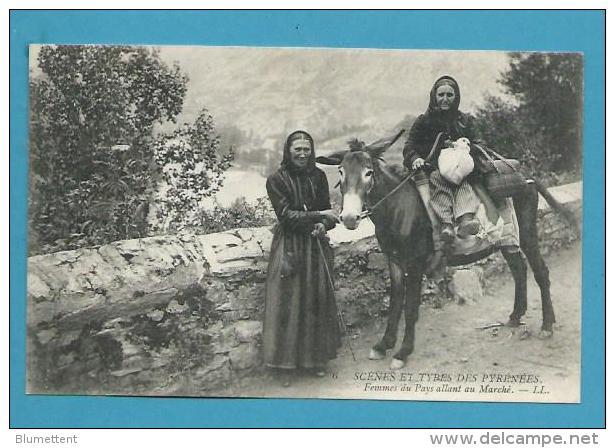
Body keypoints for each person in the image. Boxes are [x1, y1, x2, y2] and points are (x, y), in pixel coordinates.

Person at [263, 130, 341, 386]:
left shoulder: (318, 176)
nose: (303, 154)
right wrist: (320, 215)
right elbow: (286, 216)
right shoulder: (276, 180)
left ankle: (314, 361)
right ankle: (285, 367)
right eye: (297, 149)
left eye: (307, 149)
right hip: (290, 247)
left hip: (314, 245)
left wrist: (323, 226)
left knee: (314, 302)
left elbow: (326, 214)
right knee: (290, 302)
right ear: (288, 151)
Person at [403, 75, 482, 272]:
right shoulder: (423, 121)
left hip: (460, 171)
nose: (445, 99)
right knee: (438, 181)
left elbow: (480, 143)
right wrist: (415, 159)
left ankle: (466, 220)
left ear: (456, 97)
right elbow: (409, 146)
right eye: (441, 95)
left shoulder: (465, 121)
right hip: (434, 171)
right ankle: (446, 225)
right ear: (434, 96)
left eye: (449, 95)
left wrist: (464, 151)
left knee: (463, 186)